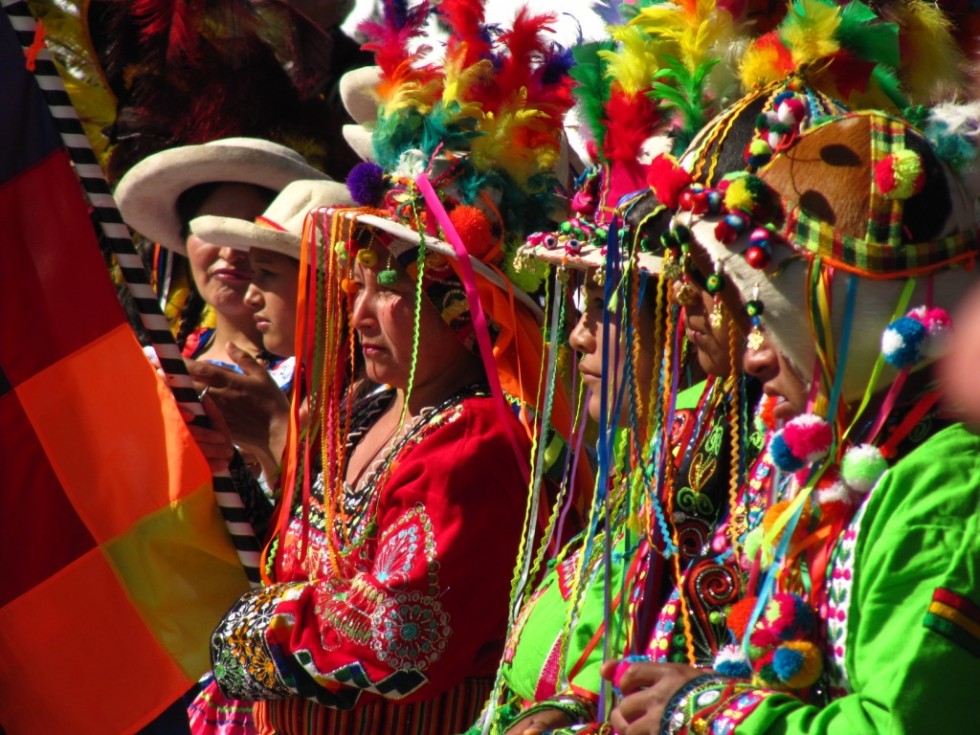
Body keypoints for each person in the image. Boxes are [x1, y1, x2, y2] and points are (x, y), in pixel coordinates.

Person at [192, 4, 588, 732]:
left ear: (468, 316)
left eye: (393, 288)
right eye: (360, 281)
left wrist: (250, 629)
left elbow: (399, 636)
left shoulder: (472, 442)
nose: (362, 309)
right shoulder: (369, 411)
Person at [607, 99, 980, 734]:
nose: (751, 359)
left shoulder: (950, 488)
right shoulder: (826, 458)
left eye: (774, 326)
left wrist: (705, 714)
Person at [186, 178, 355, 486]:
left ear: (327, 286)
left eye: (267, 273)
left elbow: (332, 528)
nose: (250, 296)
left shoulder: (370, 405)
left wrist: (273, 430)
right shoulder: (318, 398)